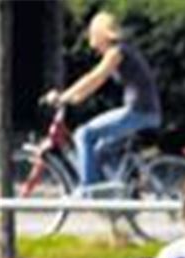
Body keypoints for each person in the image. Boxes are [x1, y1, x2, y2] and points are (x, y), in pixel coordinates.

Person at [44, 11, 161, 193]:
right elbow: (94, 83)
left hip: (139, 112)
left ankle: (89, 190)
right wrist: (74, 97)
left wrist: (63, 96)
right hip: (145, 112)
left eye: (94, 37)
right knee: (100, 150)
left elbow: (95, 77)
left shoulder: (117, 52)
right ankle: (114, 195)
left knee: (83, 134)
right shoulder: (122, 50)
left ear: (101, 35)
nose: (93, 45)